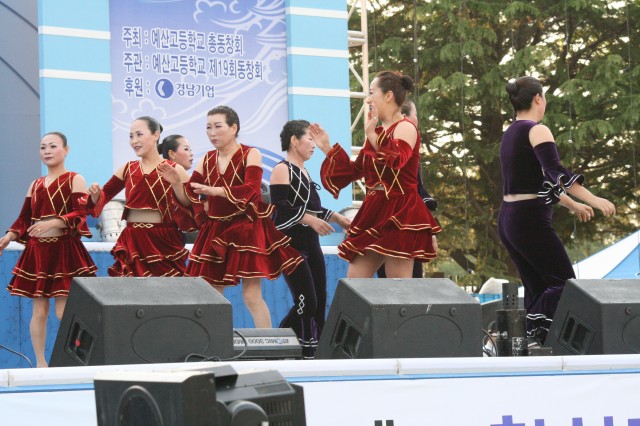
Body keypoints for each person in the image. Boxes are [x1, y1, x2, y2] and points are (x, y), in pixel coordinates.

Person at [160, 106, 303, 328]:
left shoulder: (250, 154)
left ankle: (267, 342)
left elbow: (251, 190)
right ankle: (217, 341)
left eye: (218, 126)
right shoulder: (206, 160)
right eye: (208, 127)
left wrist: (216, 191)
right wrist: (177, 184)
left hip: (246, 227)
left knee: (251, 295)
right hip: (216, 230)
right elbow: (190, 197)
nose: (212, 132)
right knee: (213, 295)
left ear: (233, 128)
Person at [499, 76, 616, 344]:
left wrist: (572, 204)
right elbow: (555, 172)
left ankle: (533, 342)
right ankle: (529, 331)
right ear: (538, 98)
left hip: (509, 219)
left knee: (538, 287)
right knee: (564, 284)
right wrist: (593, 198)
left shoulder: (510, 133)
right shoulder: (537, 130)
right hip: (528, 219)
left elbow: (534, 182)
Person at [312, 71, 441, 278]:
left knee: (398, 285)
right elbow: (355, 170)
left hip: (400, 210)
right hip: (374, 208)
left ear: (388, 96)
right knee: (355, 281)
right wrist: (328, 148)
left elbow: (396, 160)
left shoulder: (406, 127)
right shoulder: (376, 132)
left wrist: (372, 135)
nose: (368, 99)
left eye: (372, 93)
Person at [0, 132, 97, 367]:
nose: (47, 151)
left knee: (63, 312)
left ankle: (77, 359)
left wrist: (53, 223)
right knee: (39, 311)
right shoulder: (35, 184)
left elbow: (80, 213)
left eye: (53, 146)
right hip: (38, 252)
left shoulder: (75, 179)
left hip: (64, 250)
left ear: (66, 150)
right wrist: (9, 236)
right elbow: (24, 218)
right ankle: (40, 362)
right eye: (43, 147)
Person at [270, 119, 351, 358]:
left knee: (319, 301)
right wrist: (309, 219)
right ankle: (291, 346)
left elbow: (313, 208)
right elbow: (279, 209)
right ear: (294, 141)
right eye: (309, 138)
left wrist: (338, 218)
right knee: (307, 301)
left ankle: (313, 350)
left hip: (311, 243)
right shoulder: (282, 169)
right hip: (291, 245)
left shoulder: (304, 171)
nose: (314, 144)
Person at [83, 116, 191, 277]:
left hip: (163, 240)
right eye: (131, 136)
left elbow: (190, 204)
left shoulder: (175, 169)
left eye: (139, 134)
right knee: (131, 289)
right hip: (133, 239)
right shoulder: (128, 169)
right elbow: (104, 196)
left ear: (155, 135)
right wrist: (95, 195)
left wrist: (176, 184)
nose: (134, 141)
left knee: (165, 289)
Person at [376, 99, 438, 279]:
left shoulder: (386, 142)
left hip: (394, 218)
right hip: (397, 219)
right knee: (402, 284)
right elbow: (412, 191)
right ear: (404, 117)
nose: (417, 120)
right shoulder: (390, 143)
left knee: (399, 282)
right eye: (415, 115)